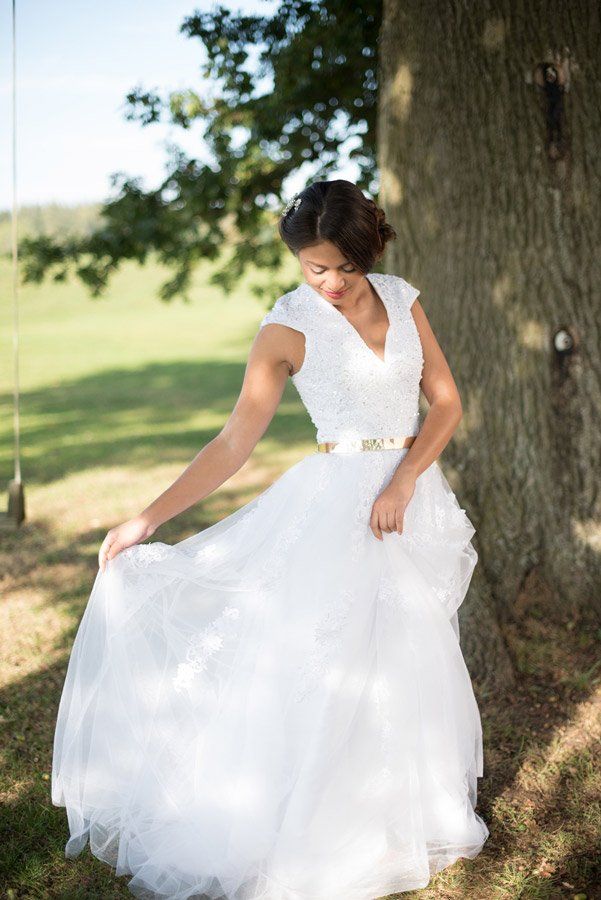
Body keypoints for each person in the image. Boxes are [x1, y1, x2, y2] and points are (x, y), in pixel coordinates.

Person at [52, 179, 489, 900]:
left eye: (344, 268)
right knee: (325, 660)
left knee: (405, 653)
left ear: (368, 249)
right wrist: (146, 519)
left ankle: (404, 809)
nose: (331, 283)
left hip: (407, 499)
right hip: (335, 505)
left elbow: (445, 402)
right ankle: (309, 829)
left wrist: (406, 478)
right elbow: (232, 443)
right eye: (314, 267)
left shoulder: (402, 298)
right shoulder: (286, 327)